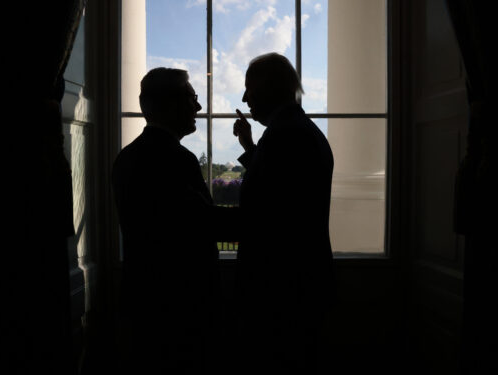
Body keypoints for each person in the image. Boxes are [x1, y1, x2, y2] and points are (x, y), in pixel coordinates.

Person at [112, 68, 228, 374]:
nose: (198, 107)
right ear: (170, 103)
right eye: (192, 98)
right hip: (180, 310)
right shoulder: (176, 159)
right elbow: (205, 224)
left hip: (144, 303)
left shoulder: (127, 157)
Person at [232, 53, 335, 374]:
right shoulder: (298, 130)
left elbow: (266, 214)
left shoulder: (283, 135)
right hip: (300, 282)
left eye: (249, 87)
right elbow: (282, 190)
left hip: (281, 290)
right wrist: (250, 147)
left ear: (267, 87)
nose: (244, 97)